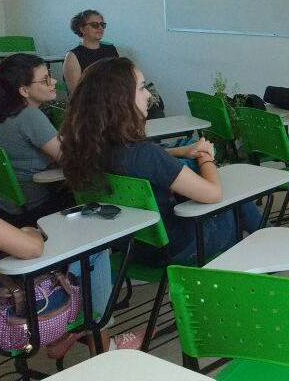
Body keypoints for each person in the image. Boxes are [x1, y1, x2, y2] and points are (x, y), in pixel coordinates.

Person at [0, 94, 140, 359]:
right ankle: (102, 344)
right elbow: (31, 248)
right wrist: (30, 232)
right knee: (95, 251)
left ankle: (73, 335)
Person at [59, 57, 264, 265]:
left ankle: (265, 247)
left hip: (130, 246)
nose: (149, 94)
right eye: (141, 88)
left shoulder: (84, 147)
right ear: (119, 99)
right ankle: (269, 249)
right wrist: (205, 158)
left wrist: (182, 151)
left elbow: (147, 161)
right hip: (178, 248)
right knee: (238, 199)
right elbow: (213, 194)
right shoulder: (144, 154)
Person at [0, 53, 74, 226]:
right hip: (39, 207)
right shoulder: (30, 116)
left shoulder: (1, 113)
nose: (54, 82)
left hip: (8, 207)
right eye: (45, 80)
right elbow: (69, 159)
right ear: (24, 90)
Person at [63, 9, 118, 95]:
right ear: (82, 29)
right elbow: (76, 94)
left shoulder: (111, 50)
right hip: (89, 106)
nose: (100, 28)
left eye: (102, 25)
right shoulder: (73, 56)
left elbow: (120, 79)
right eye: (94, 25)